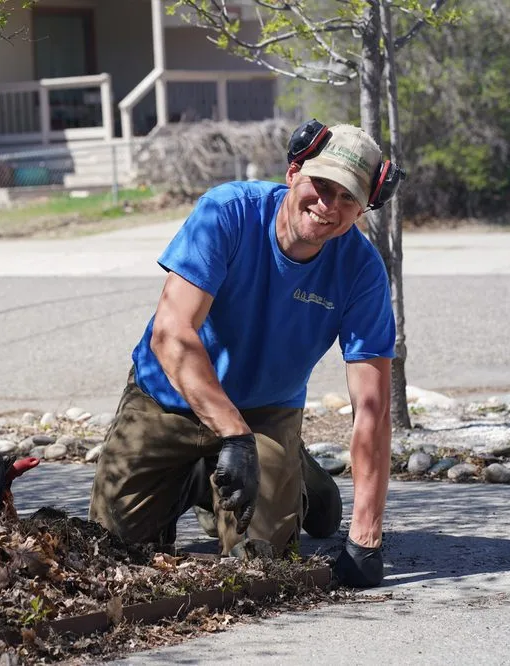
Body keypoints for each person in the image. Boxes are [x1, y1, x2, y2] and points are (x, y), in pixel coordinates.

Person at [88, 120, 405, 588]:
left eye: (347, 198)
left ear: (364, 207)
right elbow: (171, 334)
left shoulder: (361, 270)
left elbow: (372, 409)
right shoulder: (228, 212)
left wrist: (365, 539)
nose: (328, 206)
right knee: (112, 550)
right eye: (322, 185)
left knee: (262, 562)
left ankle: (302, 487)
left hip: (265, 411)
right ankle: (196, 478)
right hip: (167, 398)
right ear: (294, 170)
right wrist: (233, 436)